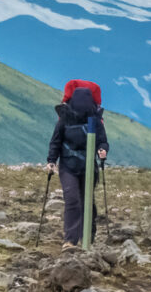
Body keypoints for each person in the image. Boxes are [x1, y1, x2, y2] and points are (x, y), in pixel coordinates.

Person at [46, 80, 108, 249]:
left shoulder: (88, 121)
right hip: (70, 167)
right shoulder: (74, 120)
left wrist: (102, 149)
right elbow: (56, 142)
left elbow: (102, 141)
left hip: (81, 166)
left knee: (84, 201)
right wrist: (51, 161)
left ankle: (86, 238)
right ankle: (72, 241)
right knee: (74, 199)